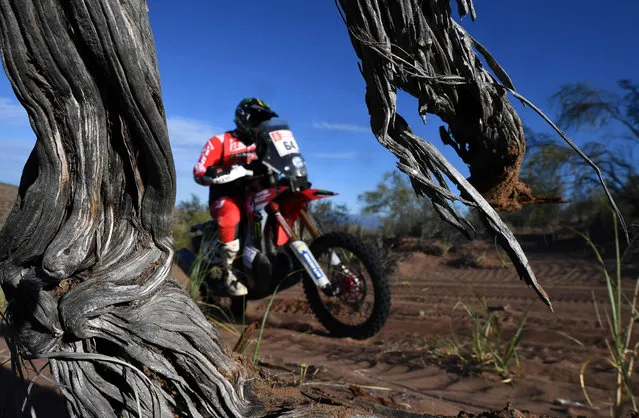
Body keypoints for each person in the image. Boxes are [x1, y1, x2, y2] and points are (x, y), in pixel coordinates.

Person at [193, 98, 278, 296]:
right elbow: (200, 170)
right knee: (230, 217)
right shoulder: (220, 141)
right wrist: (218, 172)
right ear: (244, 118)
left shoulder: (265, 144)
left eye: (264, 121)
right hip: (226, 197)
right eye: (257, 120)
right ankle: (228, 273)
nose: (261, 126)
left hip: (257, 196)